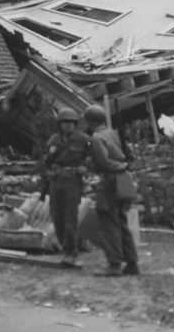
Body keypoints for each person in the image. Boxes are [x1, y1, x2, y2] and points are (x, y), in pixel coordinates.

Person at [83, 104, 139, 276]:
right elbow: (130, 156)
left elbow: (103, 162)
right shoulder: (114, 134)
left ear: (89, 121)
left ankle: (114, 263)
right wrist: (123, 165)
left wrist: (89, 163)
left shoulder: (97, 138)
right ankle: (132, 262)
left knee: (108, 221)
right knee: (121, 221)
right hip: (123, 178)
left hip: (110, 180)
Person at [41, 107, 90, 267]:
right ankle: (64, 248)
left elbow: (93, 157)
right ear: (60, 124)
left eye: (71, 123)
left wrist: (85, 168)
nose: (68, 126)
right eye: (65, 123)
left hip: (73, 181)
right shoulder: (53, 141)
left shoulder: (84, 139)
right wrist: (49, 172)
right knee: (57, 216)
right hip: (56, 181)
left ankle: (71, 252)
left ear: (75, 124)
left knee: (70, 217)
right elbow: (45, 161)